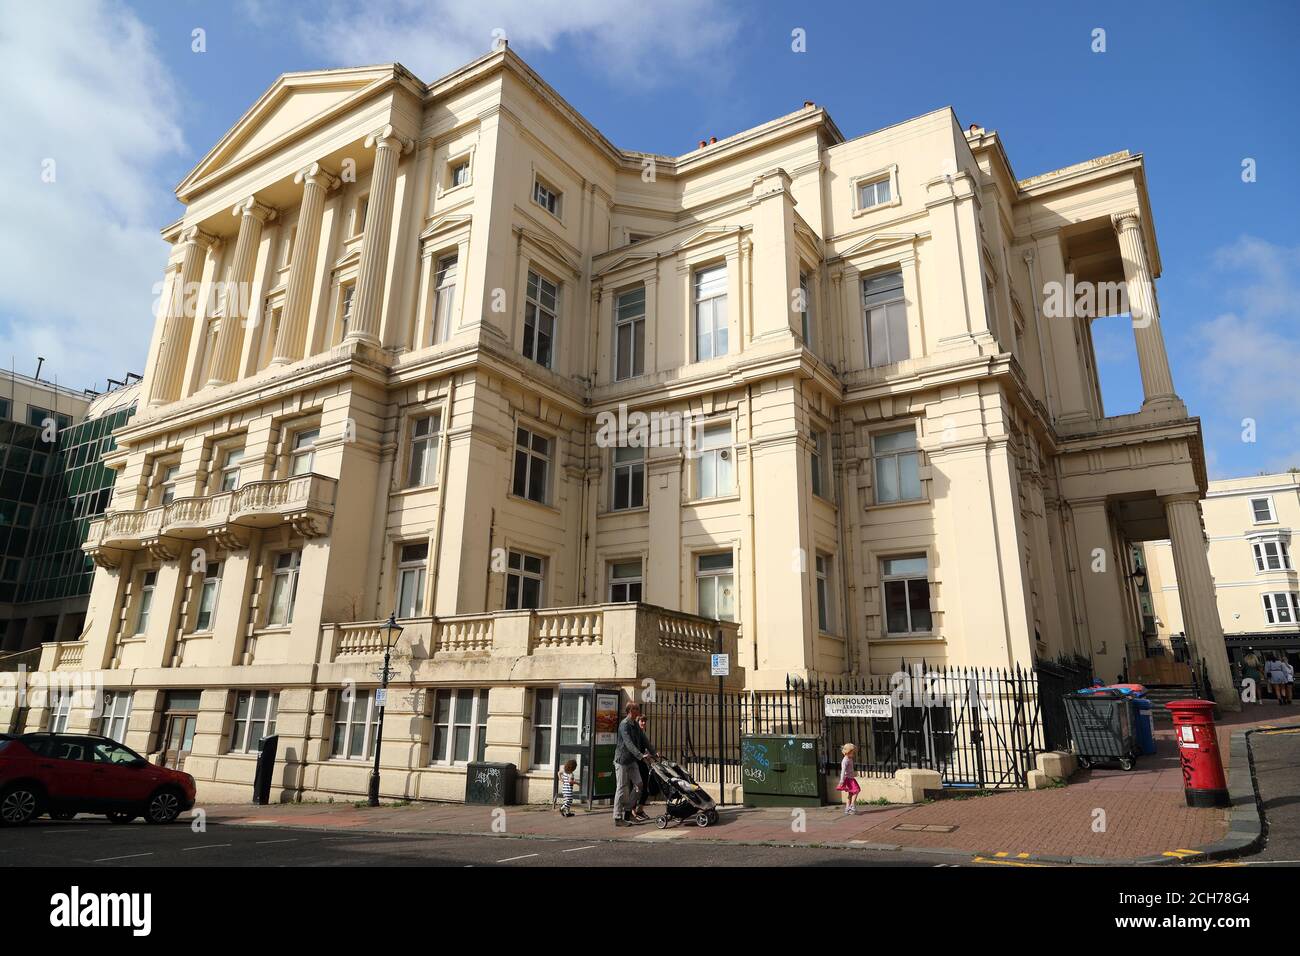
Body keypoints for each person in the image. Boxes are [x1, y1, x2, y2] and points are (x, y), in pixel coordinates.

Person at [613, 702, 655, 826]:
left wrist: (653, 752)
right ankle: (617, 817)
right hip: (622, 761)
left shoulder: (635, 725)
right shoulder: (624, 725)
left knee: (639, 785)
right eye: (636, 708)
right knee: (621, 788)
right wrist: (641, 756)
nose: (638, 710)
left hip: (632, 760)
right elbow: (628, 743)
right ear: (630, 710)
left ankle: (628, 812)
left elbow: (644, 739)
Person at [634, 714, 658, 814]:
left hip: (642, 762)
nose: (643, 723)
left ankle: (640, 809)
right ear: (637, 722)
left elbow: (647, 745)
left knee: (645, 785)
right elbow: (634, 747)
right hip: (635, 762)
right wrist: (643, 754)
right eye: (641, 721)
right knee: (636, 787)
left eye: (644, 721)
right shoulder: (635, 733)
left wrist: (653, 753)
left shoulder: (642, 733)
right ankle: (632, 810)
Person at [836, 743, 861, 814]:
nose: (853, 754)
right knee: (857, 790)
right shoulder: (845, 760)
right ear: (848, 752)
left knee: (850, 793)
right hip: (849, 779)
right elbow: (843, 771)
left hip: (851, 778)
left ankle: (847, 808)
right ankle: (852, 806)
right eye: (852, 753)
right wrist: (841, 780)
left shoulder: (849, 759)